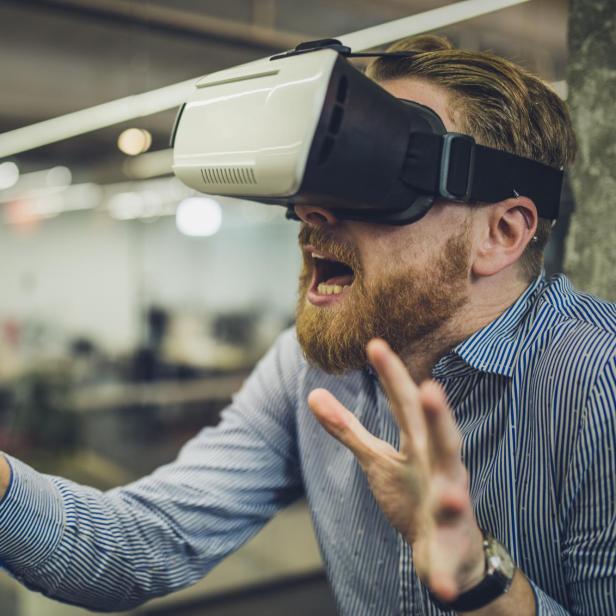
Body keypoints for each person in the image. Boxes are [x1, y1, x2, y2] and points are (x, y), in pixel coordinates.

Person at [1, 35, 615, 616]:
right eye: (324, 171)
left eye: (375, 176)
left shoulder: (599, 385)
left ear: (500, 234)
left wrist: (483, 583)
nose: (312, 211)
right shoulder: (310, 366)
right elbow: (140, 545)